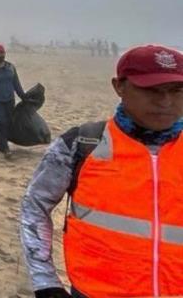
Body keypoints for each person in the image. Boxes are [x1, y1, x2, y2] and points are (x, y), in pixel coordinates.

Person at [20, 44, 183, 298]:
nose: (166, 102)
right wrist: (46, 282)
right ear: (119, 86)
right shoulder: (82, 144)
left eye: (177, 90)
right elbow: (34, 206)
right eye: (151, 90)